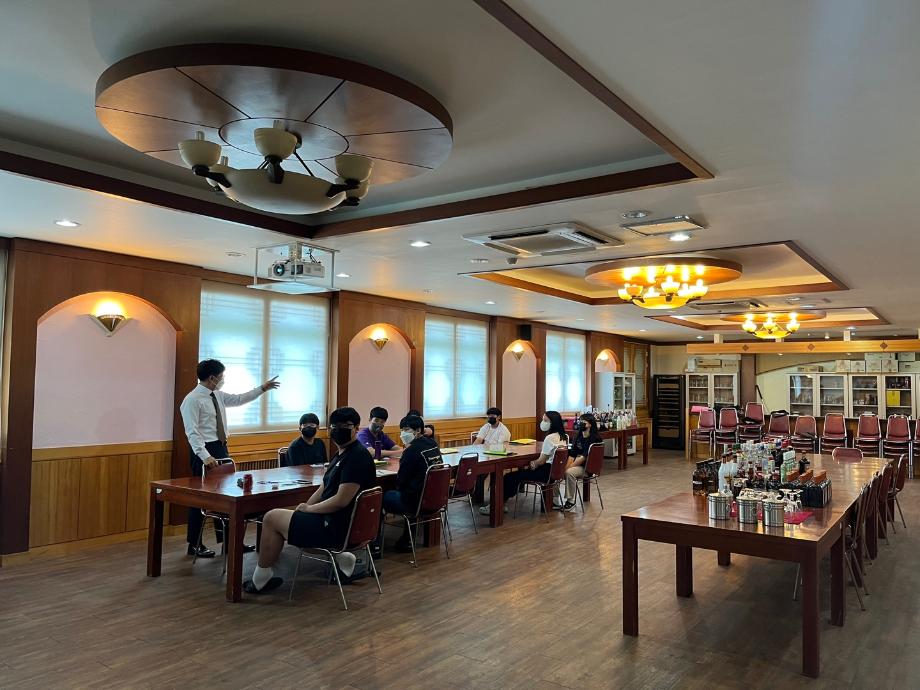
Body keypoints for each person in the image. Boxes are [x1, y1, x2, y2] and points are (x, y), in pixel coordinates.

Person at [243, 407, 376, 594]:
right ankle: (342, 558)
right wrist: (305, 507)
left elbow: (341, 500)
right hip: (333, 520)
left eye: (346, 426)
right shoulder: (342, 454)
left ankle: (260, 580)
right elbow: (324, 487)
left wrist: (309, 510)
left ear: (356, 428)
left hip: (338, 526)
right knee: (286, 519)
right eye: (335, 426)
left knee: (271, 518)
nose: (339, 430)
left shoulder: (356, 457)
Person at [179, 359, 280, 558]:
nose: (223, 379)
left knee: (226, 497)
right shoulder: (192, 399)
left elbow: (239, 399)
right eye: (221, 376)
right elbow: (192, 432)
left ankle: (230, 542)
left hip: (220, 448)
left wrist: (262, 388)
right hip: (204, 451)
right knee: (200, 498)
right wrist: (205, 456)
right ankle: (194, 544)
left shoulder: (217, 394)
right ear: (212, 378)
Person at [480, 411, 568, 515]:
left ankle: (495, 507)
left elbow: (541, 461)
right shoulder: (563, 437)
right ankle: (500, 504)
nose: (542, 423)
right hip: (555, 472)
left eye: (545, 420)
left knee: (509, 477)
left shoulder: (549, 438)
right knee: (516, 476)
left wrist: (533, 464)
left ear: (553, 422)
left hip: (545, 472)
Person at [381, 414, 441, 552]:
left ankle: (376, 545)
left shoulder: (411, 451)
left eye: (407, 429)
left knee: (380, 496)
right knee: (412, 490)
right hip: (434, 497)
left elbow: (401, 481)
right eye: (402, 430)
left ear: (418, 430)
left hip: (415, 500)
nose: (403, 433)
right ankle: (408, 536)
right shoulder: (433, 444)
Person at [560, 413, 602, 512]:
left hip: (589, 467)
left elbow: (583, 457)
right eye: (580, 421)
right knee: (561, 470)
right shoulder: (578, 437)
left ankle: (570, 501)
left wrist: (569, 467)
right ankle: (554, 500)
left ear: (590, 424)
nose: (580, 424)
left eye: (584, 422)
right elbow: (572, 454)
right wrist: (565, 467)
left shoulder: (595, 438)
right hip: (579, 466)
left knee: (569, 472)